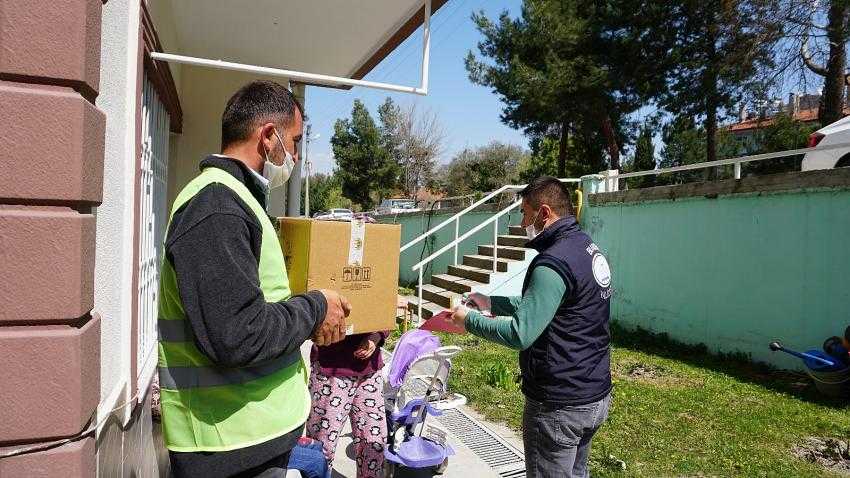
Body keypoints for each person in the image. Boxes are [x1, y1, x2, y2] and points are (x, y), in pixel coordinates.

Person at [157, 80, 351, 478]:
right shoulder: (216, 207)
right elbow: (238, 334)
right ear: (268, 137)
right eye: (294, 142)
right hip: (225, 445)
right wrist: (316, 307)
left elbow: (250, 310)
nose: (295, 155)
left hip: (245, 437)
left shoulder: (237, 201)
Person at [450, 176, 613, 478]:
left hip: (558, 405)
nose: (523, 221)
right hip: (593, 395)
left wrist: (466, 319)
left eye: (525, 213)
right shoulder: (586, 248)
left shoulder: (553, 262)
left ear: (545, 213)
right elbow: (549, 304)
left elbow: (520, 333)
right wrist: (489, 301)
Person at [306, 330, 390, 478]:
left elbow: (386, 311)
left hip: (369, 372)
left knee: (374, 444)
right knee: (322, 445)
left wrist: (376, 337)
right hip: (331, 370)